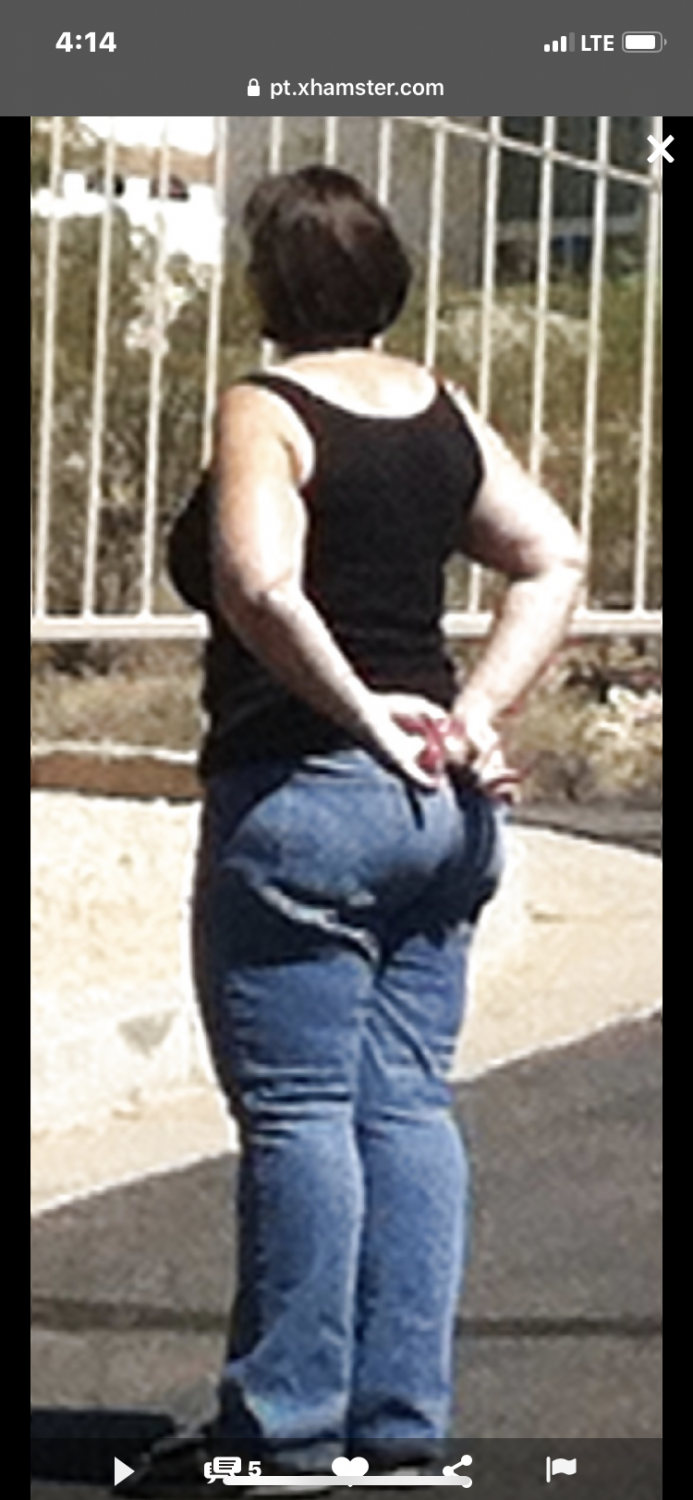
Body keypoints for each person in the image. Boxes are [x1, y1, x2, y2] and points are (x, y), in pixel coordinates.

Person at [127, 165, 584, 1496]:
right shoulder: (443, 405)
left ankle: (283, 1430)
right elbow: (553, 556)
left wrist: (366, 718)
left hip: (304, 806)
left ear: (268, 286)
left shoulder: (265, 407)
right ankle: (397, 1425)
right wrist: (470, 715)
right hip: (441, 816)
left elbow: (259, 583)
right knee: (407, 1107)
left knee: (300, 1113)